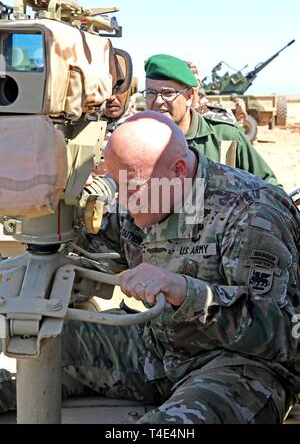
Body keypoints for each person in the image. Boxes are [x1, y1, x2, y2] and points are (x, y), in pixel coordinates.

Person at [1, 111, 299, 424]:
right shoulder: (144, 194)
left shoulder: (252, 212)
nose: (124, 200)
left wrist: (184, 292)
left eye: (132, 187)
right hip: (157, 348)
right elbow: (84, 248)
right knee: (42, 351)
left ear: (179, 170)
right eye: (117, 183)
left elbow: (285, 334)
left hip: (238, 368)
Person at [143, 54, 281, 186]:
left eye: (168, 93)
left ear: (190, 96)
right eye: (150, 93)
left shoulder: (225, 136)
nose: (158, 101)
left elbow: (269, 186)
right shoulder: (137, 140)